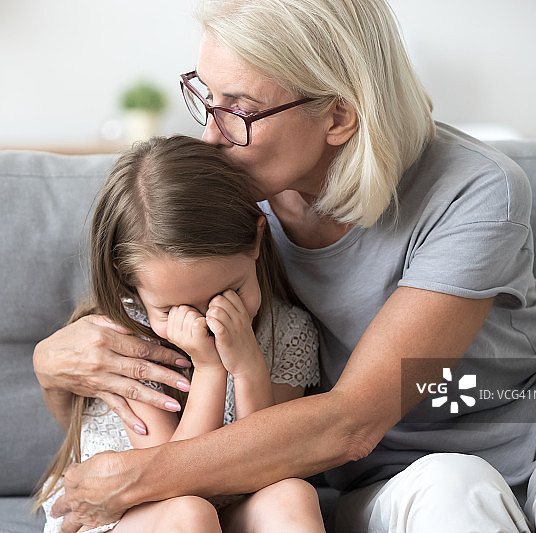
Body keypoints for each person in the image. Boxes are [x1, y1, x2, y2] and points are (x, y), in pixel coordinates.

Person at [34, 0, 536, 531]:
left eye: (238, 108)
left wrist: (139, 478)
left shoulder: (474, 189)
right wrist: (49, 361)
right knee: (452, 492)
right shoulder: (230, 200)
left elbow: (352, 420)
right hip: (391, 470)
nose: (211, 135)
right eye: (206, 98)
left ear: (339, 117)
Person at [35, 135, 324, 533]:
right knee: (191, 513)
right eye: (170, 310)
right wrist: (209, 369)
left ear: (257, 239)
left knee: (291, 494)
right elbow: (168, 482)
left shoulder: (287, 331)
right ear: (130, 282)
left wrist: (247, 366)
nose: (205, 322)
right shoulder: (122, 344)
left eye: (228, 294)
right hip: (122, 515)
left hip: (227, 504)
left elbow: (263, 465)